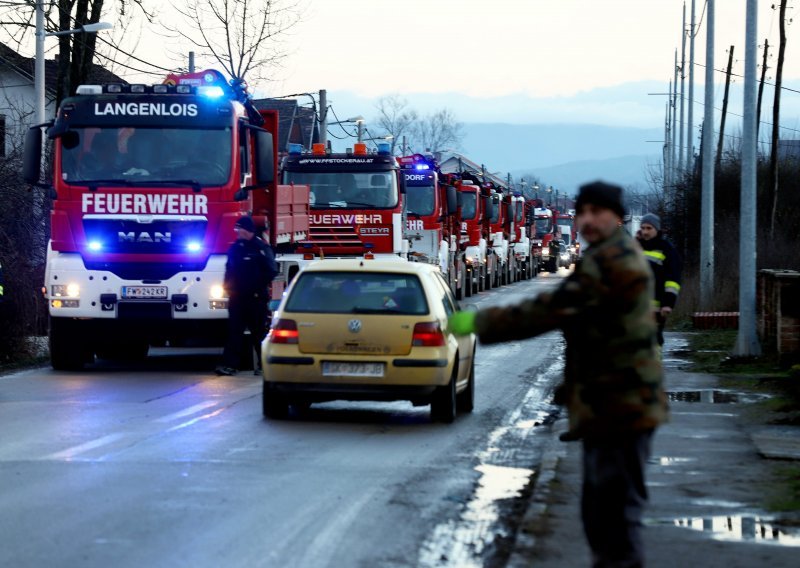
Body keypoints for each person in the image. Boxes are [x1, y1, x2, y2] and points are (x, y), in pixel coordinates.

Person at [449, 181, 668, 567]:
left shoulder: (613, 262)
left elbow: (550, 309)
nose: (586, 220)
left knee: (613, 519)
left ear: (617, 218)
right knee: (602, 515)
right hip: (610, 403)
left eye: (596, 212)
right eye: (582, 212)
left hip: (621, 405)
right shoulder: (606, 256)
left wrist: (477, 322)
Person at [216, 216, 278, 376]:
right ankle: (230, 365)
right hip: (237, 298)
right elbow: (229, 269)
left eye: (240, 229)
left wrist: (257, 287)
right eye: (236, 229)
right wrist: (227, 288)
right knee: (234, 332)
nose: (238, 232)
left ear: (248, 230)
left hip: (256, 299)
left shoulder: (261, 248)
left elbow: (271, 270)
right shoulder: (236, 248)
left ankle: (265, 365)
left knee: (258, 333)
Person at [636, 213, 682, 347]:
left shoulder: (667, 250)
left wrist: (668, 303)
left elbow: (673, 280)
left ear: (657, 229)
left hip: (655, 308)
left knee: (653, 343)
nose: (645, 232)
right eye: (643, 228)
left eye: (649, 228)